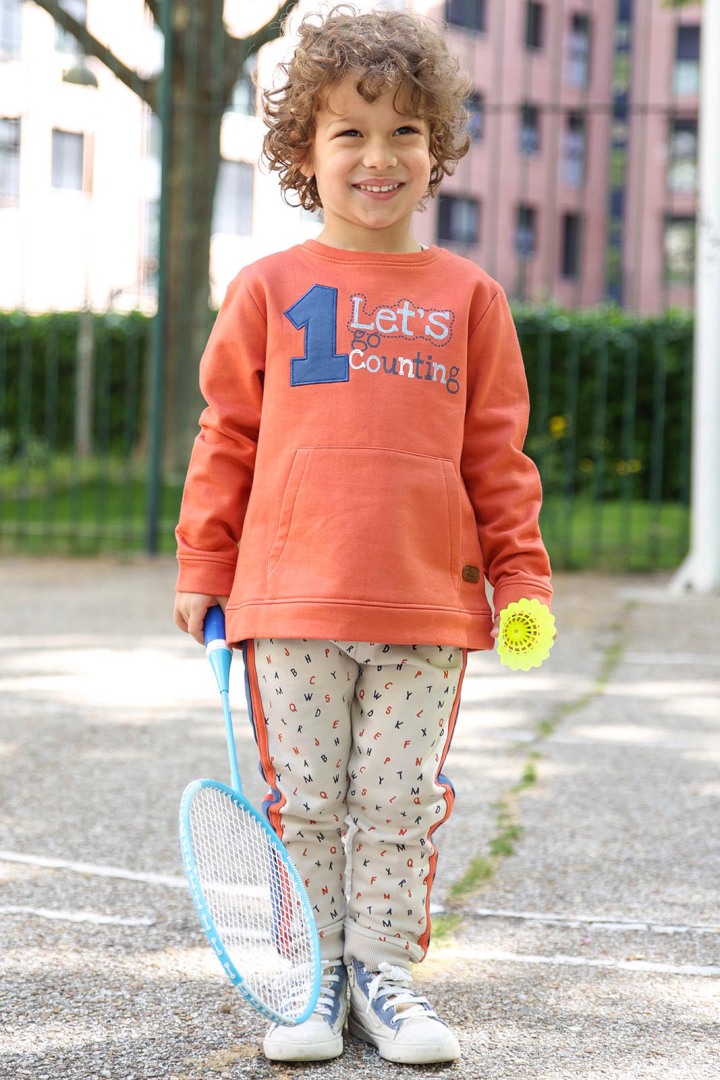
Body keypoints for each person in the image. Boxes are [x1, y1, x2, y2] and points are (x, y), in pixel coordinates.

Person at [173, 3, 552, 1065]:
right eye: (350, 131)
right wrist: (204, 564)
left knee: (396, 805)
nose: (379, 157)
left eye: (404, 133)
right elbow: (226, 438)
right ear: (305, 152)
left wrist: (520, 583)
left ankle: (383, 973)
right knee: (305, 804)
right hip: (289, 604)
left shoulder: (472, 298)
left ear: (438, 149)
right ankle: (311, 981)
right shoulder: (267, 289)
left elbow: (499, 460)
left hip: (430, 606)